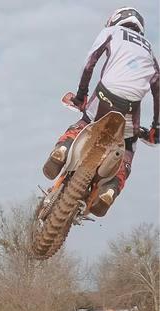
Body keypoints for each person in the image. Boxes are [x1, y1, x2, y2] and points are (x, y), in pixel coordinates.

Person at [43, 7, 159, 216]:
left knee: (84, 123)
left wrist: (80, 96)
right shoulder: (149, 49)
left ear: (115, 19)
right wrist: (155, 129)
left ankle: (62, 150)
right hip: (131, 109)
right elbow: (158, 90)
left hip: (106, 96)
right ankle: (111, 189)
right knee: (129, 147)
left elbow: (90, 63)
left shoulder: (112, 32)